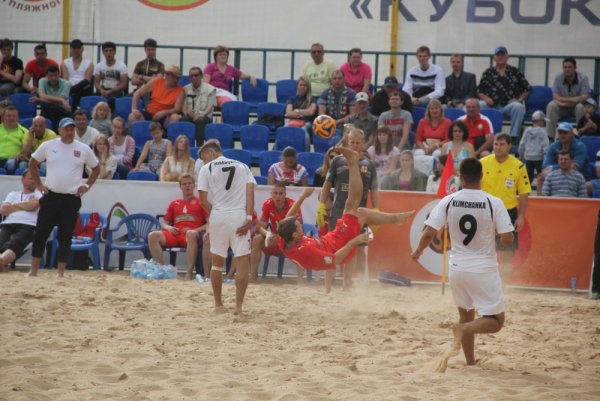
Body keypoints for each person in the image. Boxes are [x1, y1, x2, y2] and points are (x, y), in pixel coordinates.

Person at [411, 157, 514, 368]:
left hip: (457, 268)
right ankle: (463, 330)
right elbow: (507, 239)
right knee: (496, 322)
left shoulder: (449, 200)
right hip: (483, 268)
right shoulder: (493, 202)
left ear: (460, 177)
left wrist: (418, 251)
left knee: (466, 315)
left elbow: (429, 232)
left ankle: (470, 361)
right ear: (482, 177)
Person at [278, 146, 414, 293]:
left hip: (332, 239)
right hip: (340, 247)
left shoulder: (284, 238)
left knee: (360, 212)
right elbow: (334, 260)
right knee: (352, 205)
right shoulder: (307, 250)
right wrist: (354, 241)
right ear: (295, 235)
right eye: (298, 227)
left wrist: (302, 197)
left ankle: (396, 219)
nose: (300, 225)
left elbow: (287, 219)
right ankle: (354, 163)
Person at [26, 117, 99, 278]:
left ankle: (60, 272)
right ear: (59, 130)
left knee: (65, 235)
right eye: (66, 129)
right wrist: (38, 183)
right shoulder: (48, 145)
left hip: (71, 198)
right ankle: (34, 270)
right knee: (41, 233)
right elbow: (32, 162)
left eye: (71, 129)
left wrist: (86, 186)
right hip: (50, 195)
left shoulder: (83, 148)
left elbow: (96, 168)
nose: (69, 132)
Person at [197, 140, 256, 315]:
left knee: (217, 263)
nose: (203, 161)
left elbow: (202, 200)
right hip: (238, 215)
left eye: (204, 157)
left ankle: (218, 305)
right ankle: (238, 306)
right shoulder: (242, 166)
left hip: (219, 216)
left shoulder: (206, 169)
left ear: (213, 152)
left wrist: (215, 212)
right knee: (242, 259)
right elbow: (250, 192)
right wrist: (249, 217)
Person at [319, 129, 378, 290]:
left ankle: (347, 286)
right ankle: (327, 288)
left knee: (353, 251)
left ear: (363, 144)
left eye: (358, 142)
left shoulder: (368, 165)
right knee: (331, 249)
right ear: (347, 142)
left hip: (358, 215)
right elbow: (327, 185)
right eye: (352, 142)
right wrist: (321, 205)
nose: (354, 145)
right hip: (338, 212)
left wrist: (377, 210)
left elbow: (374, 190)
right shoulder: (337, 161)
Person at [481, 133, 531, 280]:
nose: (498, 147)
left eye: (502, 144)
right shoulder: (483, 162)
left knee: (505, 253)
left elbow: (524, 193)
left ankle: (502, 286)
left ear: (509, 146)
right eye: (496, 144)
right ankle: (484, 283)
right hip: (485, 211)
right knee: (483, 251)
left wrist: (521, 216)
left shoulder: (519, 166)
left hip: (508, 213)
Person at [148, 173, 208, 280]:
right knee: (153, 235)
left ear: (194, 186)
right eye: (184, 184)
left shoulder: (201, 202)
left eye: (189, 183)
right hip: (175, 234)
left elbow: (209, 223)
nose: (187, 186)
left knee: (191, 234)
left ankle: (189, 273)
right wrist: (169, 228)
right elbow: (164, 223)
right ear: (180, 187)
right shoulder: (174, 203)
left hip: (191, 236)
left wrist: (194, 230)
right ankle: (162, 270)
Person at [249, 182, 302, 282]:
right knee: (256, 240)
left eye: (281, 193)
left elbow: (298, 229)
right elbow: (262, 226)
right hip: (274, 238)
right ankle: (253, 276)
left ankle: (300, 281)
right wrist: (267, 234)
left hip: (290, 238)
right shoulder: (267, 204)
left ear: (285, 195)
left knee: (300, 243)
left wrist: (279, 237)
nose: (278, 196)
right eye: (275, 193)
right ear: (271, 194)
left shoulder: (293, 205)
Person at [477, 46, 531, 140]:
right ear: (494, 58)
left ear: (507, 57)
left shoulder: (514, 71)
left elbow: (527, 88)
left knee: (518, 106)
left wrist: (519, 99)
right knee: (479, 104)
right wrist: (486, 99)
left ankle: (513, 137)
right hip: (492, 105)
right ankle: (483, 135)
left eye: (502, 55)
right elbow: (479, 91)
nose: (500, 57)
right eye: (498, 55)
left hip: (508, 106)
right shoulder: (488, 72)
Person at [0, 169, 42, 272]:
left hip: (28, 225)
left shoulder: (39, 193)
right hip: (8, 224)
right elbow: (3, 210)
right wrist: (25, 205)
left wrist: (13, 206)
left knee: (15, 243)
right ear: (22, 180)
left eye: (36, 179)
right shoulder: (13, 194)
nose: (34, 181)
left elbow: (34, 205)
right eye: (31, 178)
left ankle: (2, 261)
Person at [537, 122, 590, 194]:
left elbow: (573, 167)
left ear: (572, 133)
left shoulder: (580, 146)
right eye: (560, 133)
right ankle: (540, 203)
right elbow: (545, 167)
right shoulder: (553, 146)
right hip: (558, 175)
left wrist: (552, 168)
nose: (562, 135)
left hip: (578, 176)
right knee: (541, 176)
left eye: (565, 132)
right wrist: (556, 170)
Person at [546, 57, 590, 139]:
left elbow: (585, 97)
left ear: (575, 68)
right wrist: (573, 99)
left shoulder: (583, 78)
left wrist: (563, 100)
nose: (567, 69)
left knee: (580, 107)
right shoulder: (558, 77)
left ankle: (582, 136)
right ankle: (550, 138)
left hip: (576, 107)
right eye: (565, 67)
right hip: (562, 106)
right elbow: (555, 96)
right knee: (551, 106)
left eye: (569, 67)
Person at [175, 66, 215, 146]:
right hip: (191, 115)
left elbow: (210, 106)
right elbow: (184, 106)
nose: (193, 78)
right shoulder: (186, 89)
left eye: (196, 75)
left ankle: (199, 146)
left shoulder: (210, 89)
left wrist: (202, 114)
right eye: (191, 76)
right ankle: (186, 145)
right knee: (184, 118)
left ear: (201, 76)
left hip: (204, 115)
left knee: (200, 120)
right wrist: (186, 112)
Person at [318, 70, 357, 135]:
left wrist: (338, 121)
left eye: (339, 78)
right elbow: (321, 113)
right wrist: (330, 122)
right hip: (328, 123)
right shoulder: (325, 93)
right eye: (335, 78)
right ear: (331, 80)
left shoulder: (351, 93)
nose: (337, 81)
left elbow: (353, 114)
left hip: (345, 124)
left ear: (344, 79)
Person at [284, 76, 317, 151]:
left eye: (305, 85)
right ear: (297, 86)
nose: (303, 87)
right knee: (283, 129)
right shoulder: (292, 99)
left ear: (308, 87)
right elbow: (288, 113)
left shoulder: (312, 99)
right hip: (293, 122)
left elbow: (311, 112)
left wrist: (297, 111)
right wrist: (304, 112)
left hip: (307, 123)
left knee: (303, 131)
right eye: (301, 85)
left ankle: (306, 152)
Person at [34, 65, 72, 129]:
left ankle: (42, 128)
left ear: (59, 75)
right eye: (51, 76)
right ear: (46, 75)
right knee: (48, 107)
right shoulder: (42, 81)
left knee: (48, 107)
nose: (53, 78)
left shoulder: (66, 83)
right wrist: (61, 100)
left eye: (56, 75)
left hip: (62, 110)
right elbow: (42, 95)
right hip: (49, 110)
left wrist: (42, 99)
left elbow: (44, 97)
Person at [60, 39, 94, 110]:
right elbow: (65, 78)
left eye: (78, 48)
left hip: (83, 90)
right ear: (71, 49)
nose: (76, 50)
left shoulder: (89, 63)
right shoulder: (64, 63)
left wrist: (74, 88)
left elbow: (87, 80)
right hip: (69, 88)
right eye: (74, 48)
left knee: (76, 92)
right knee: (71, 93)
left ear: (82, 49)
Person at [94, 41, 128, 110]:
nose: (108, 53)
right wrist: (101, 90)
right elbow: (96, 82)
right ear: (103, 53)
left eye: (110, 51)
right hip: (103, 90)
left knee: (111, 101)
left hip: (116, 91)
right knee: (92, 99)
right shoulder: (99, 66)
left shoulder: (122, 66)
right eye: (106, 51)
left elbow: (124, 84)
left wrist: (111, 91)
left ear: (114, 52)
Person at [518, 110, 550, 183]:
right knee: (541, 176)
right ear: (541, 121)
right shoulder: (542, 131)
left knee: (528, 177)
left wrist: (521, 156)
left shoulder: (527, 131)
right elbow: (546, 146)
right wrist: (546, 159)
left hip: (528, 157)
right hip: (539, 158)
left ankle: (527, 192)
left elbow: (522, 144)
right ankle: (540, 192)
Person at [0, 105, 28, 174]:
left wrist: (19, 155)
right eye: (9, 116)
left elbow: (26, 151)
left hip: (12, 160)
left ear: (18, 117)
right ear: (3, 117)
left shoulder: (25, 132)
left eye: (14, 116)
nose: (11, 118)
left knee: (11, 163)